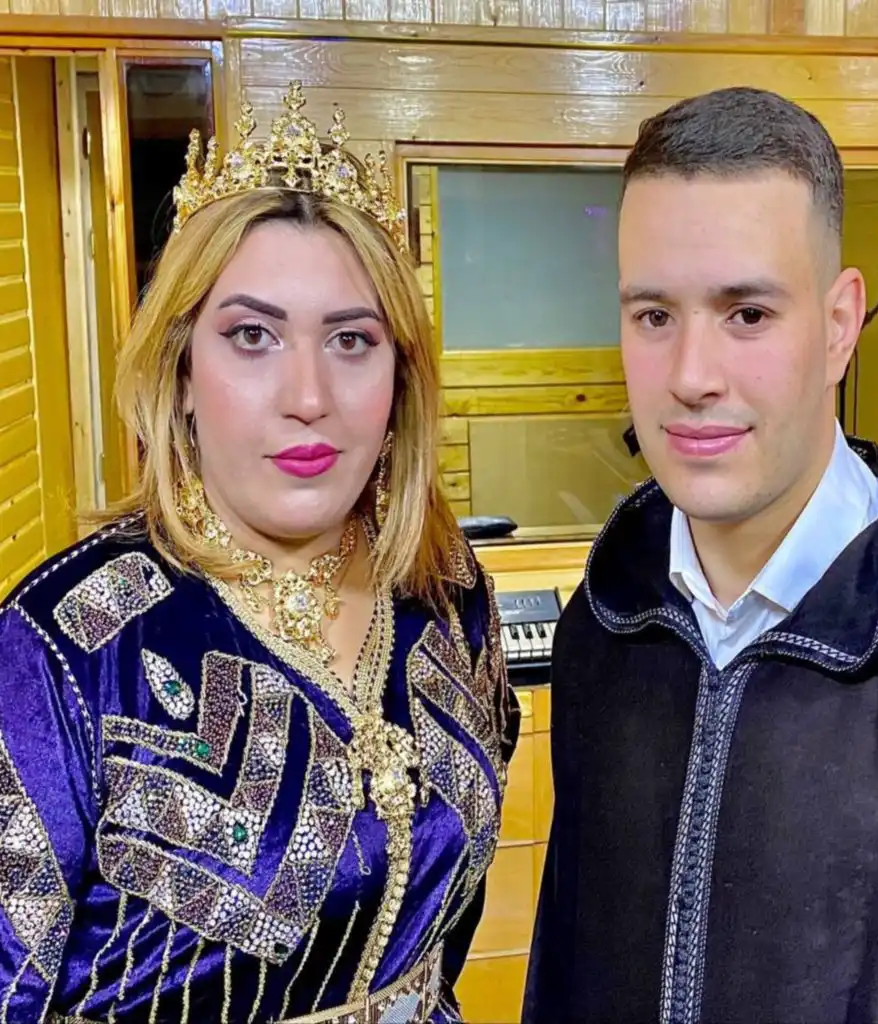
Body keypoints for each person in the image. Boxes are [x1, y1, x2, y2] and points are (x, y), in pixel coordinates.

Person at [0, 81, 517, 1024]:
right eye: (252, 336)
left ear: (399, 381)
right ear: (180, 371)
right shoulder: (63, 649)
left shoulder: (446, 592)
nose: (308, 396)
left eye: (351, 340)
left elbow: (451, 921)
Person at [524, 85, 878, 1024]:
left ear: (840, 325)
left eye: (747, 314)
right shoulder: (603, 624)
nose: (691, 377)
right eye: (653, 315)